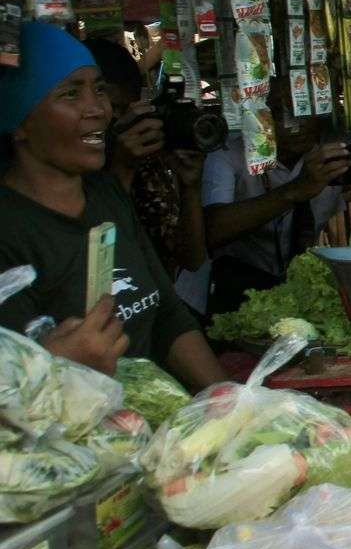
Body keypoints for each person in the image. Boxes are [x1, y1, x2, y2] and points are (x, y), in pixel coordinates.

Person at [0, 22, 226, 389]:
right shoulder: (11, 230)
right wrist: (53, 369)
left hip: (158, 430)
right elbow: (13, 393)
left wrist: (231, 405)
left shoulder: (106, 195)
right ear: (19, 123)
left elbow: (167, 314)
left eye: (99, 89)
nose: (98, 109)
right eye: (71, 94)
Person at [203, 80, 351, 317]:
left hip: (305, 296)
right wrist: (295, 191)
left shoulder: (338, 153)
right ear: (260, 115)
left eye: (304, 108)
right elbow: (213, 230)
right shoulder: (228, 155)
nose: (297, 122)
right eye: (282, 112)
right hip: (235, 292)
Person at [83, 38, 208, 279]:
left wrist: (190, 187)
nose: (123, 119)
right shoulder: (78, 169)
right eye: (116, 109)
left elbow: (191, 259)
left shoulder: (148, 161)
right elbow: (102, 267)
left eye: (129, 108)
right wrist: (120, 167)